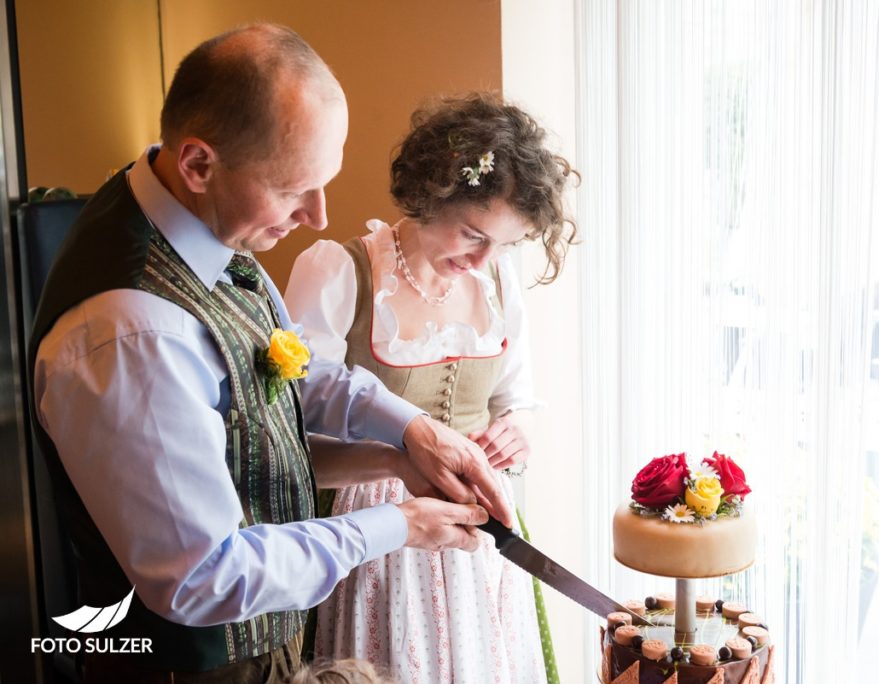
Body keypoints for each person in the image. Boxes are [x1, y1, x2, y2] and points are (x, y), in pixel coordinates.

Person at [29, 25, 513, 683]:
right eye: (293, 190)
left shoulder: (192, 213)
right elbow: (204, 578)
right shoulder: (132, 337)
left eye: (324, 182)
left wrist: (407, 441)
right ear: (199, 163)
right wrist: (398, 526)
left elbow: (280, 382)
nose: (317, 215)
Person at [285, 93, 577, 683]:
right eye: (473, 233)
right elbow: (292, 437)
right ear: (431, 192)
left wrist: (517, 429)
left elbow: (518, 398)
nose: (483, 258)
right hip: (375, 531)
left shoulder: (497, 283)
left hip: (478, 532)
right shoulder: (340, 272)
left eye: (505, 243)